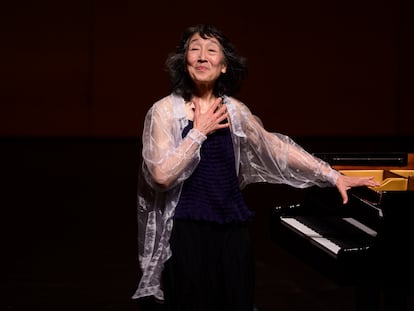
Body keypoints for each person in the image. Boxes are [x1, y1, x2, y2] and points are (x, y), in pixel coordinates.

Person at [132, 24, 379, 311]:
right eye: (194, 49)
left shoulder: (235, 110)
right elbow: (160, 176)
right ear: (184, 61)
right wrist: (198, 132)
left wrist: (332, 175)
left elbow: (275, 147)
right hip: (186, 233)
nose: (202, 57)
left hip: (232, 231)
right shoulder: (164, 111)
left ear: (224, 66)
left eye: (211, 51)